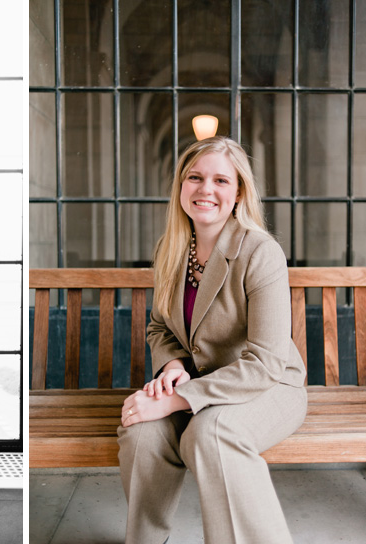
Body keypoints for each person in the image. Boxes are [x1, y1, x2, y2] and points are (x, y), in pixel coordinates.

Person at [117, 136, 307, 543]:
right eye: (195, 177)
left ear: (238, 192)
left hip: (266, 387)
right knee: (140, 428)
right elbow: (160, 328)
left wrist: (179, 399)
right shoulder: (171, 250)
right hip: (196, 384)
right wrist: (172, 366)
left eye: (221, 180)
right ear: (181, 187)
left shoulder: (260, 252)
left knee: (213, 433)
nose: (206, 189)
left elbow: (266, 363)